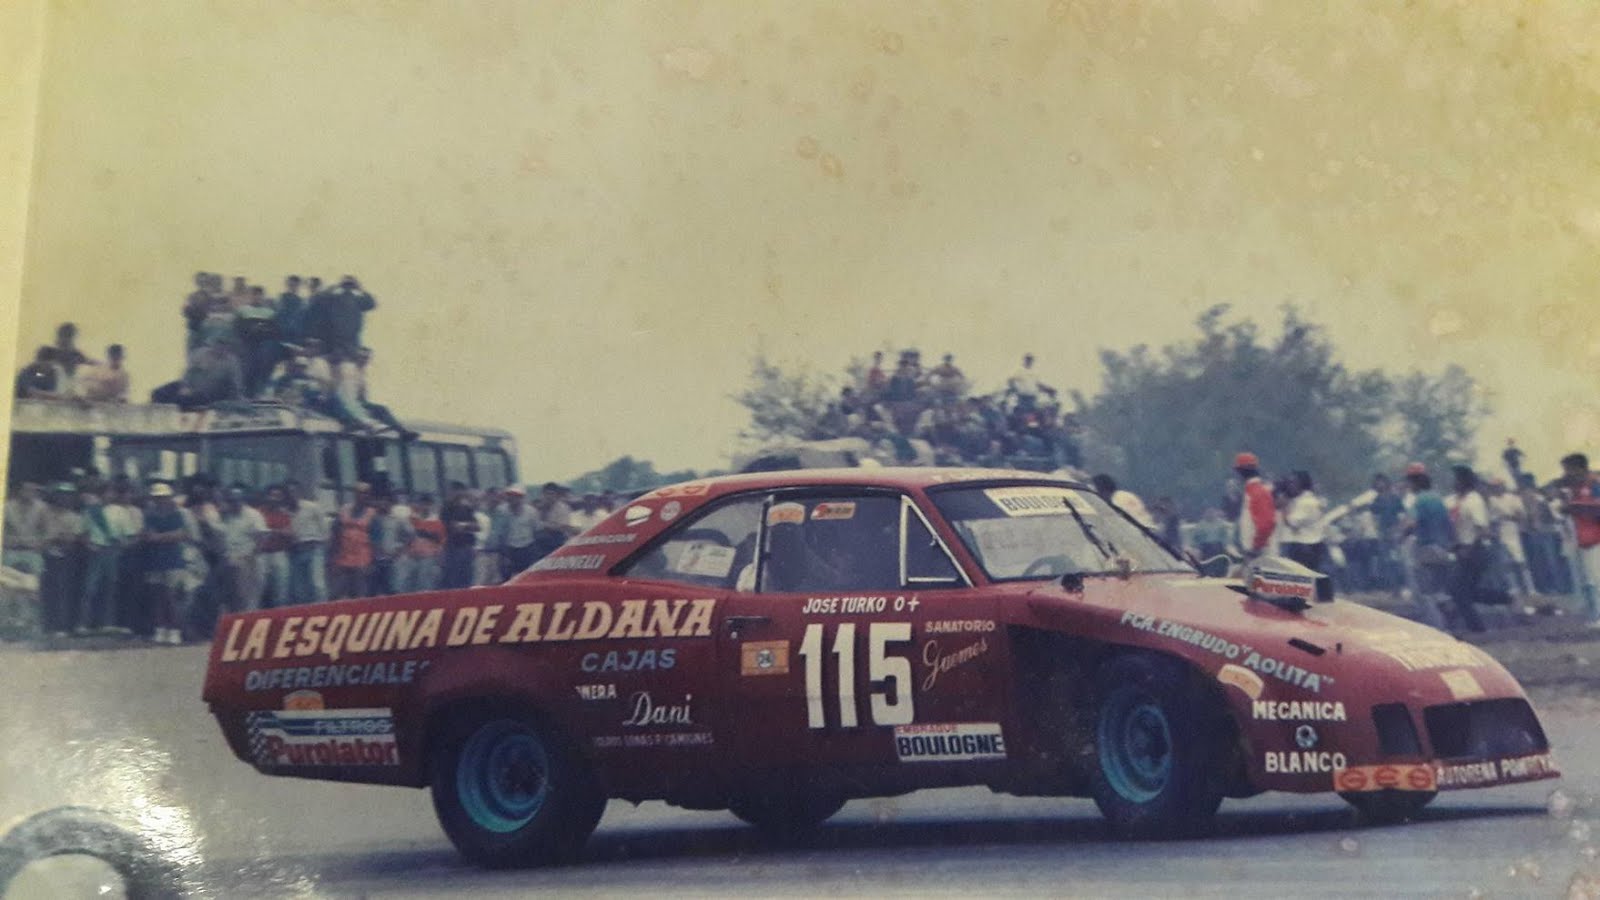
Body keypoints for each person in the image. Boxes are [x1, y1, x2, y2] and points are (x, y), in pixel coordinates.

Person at [140, 483, 189, 644]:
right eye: (157, 497)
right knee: (157, 596)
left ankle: (174, 630)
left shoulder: (177, 514)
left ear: (169, 498)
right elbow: (147, 535)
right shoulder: (149, 515)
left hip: (173, 560)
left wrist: (159, 537)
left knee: (171, 597)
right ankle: (160, 629)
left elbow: (181, 535)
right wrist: (166, 536)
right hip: (154, 560)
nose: (160, 500)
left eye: (163, 497)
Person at [1444, 466, 1491, 633]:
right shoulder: (1455, 500)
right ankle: (1505, 598)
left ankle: (1477, 628)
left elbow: (1482, 529)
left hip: (1474, 550)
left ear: (1464, 481)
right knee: (1467, 591)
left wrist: (1469, 549)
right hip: (1461, 548)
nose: (1453, 482)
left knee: (1458, 590)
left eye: (1456, 479)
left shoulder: (1474, 500)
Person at [39, 483, 86, 636]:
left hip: (66, 558)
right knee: (47, 591)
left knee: (64, 591)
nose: (64, 498)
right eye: (61, 495)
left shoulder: (75, 517)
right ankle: (48, 625)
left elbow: (71, 539)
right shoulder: (46, 514)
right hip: (47, 555)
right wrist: (55, 539)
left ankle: (63, 626)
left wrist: (59, 539)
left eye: (67, 495)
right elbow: (44, 536)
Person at [1559, 453, 1600, 624]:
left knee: (1597, 581)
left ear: (1580, 468)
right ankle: (1595, 615)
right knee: (1589, 582)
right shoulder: (1575, 489)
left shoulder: (1595, 484)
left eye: (1569, 470)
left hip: (1596, 540)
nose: (1566, 474)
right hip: (1582, 540)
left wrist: (1573, 508)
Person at [212, 487, 267, 613]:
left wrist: (249, 558)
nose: (234, 503)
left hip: (249, 559)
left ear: (242, 500)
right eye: (231, 501)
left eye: (237, 500)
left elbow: (261, 538)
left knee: (249, 598)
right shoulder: (224, 516)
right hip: (229, 560)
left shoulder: (253, 515)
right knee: (231, 598)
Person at [77, 485, 123, 634]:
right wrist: (90, 546)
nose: (109, 496)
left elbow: (124, 534)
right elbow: (83, 533)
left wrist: (119, 545)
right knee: (90, 588)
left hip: (111, 551)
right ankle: (83, 624)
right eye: (107, 493)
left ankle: (107, 623)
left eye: (111, 493)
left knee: (110, 588)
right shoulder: (90, 511)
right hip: (96, 550)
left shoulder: (118, 511)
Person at [1487, 478, 1535, 597]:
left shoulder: (1513, 498)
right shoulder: (1492, 501)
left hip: (1513, 531)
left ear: (1503, 486)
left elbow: (1521, 515)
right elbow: (1491, 519)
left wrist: (1510, 516)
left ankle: (1530, 588)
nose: (1496, 488)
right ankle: (1514, 587)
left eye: (1498, 485)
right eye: (1494, 486)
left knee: (1521, 561)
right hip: (1501, 532)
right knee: (1506, 563)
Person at [286, 480, 330, 604]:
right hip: (295, 552)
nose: (291, 495)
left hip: (314, 549)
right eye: (288, 492)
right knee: (300, 589)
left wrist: (325, 550)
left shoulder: (312, 507)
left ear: (299, 493)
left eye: (293, 492)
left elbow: (324, 529)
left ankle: (324, 612)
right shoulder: (285, 512)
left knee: (317, 585)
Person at [330, 484, 376, 600]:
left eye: (365, 493)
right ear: (355, 494)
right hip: (343, 558)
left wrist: (372, 562)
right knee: (337, 593)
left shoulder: (372, 513)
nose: (362, 495)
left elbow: (375, 539)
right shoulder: (344, 510)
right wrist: (332, 558)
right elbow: (335, 533)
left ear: (369, 496)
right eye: (360, 492)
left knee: (360, 594)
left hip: (362, 559)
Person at [1280, 470, 1329, 572]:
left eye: (1293, 483)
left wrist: (1283, 507)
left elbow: (1291, 522)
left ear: (1302, 484)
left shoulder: (1305, 502)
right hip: (1309, 544)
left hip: (1305, 546)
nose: (1290, 486)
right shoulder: (1305, 500)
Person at [1232, 452, 1276, 563]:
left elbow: (1266, 524)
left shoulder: (1258, 492)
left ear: (1242, 472)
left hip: (1259, 554)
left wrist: (1256, 547)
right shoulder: (1251, 492)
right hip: (1253, 553)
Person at [368, 492, 414, 596]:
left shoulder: (398, 519)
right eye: (381, 501)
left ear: (391, 503)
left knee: (394, 589)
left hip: (394, 559)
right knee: (375, 591)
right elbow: (370, 537)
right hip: (378, 559)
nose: (383, 503)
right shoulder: (375, 519)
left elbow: (410, 535)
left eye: (386, 501)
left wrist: (401, 549)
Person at [256, 485, 294, 608]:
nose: (274, 498)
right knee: (259, 587)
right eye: (272, 495)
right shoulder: (258, 513)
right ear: (267, 496)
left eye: (278, 496)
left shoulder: (284, 514)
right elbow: (259, 533)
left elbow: (289, 533)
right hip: (262, 554)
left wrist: (272, 531)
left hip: (279, 553)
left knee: (281, 587)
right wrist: (278, 531)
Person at [398, 493, 445, 592]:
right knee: (408, 585)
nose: (424, 506)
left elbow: (442, 542)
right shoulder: (412, 520)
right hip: (411, 557)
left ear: (431, 505)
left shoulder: (437, 523)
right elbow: (404, 538)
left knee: (425, 585)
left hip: (428, 558)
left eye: (427, 504)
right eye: (422, 503)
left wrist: (439, 560)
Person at [2, 482, 47, 576]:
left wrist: (40, 544)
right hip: (11, 551)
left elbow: (46, 531)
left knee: (32, 584)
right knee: (7, 582)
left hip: (32, 552)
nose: (29, 493)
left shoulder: (42, 508)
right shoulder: (7, 507)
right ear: (20, 490)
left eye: (33, 490)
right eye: (26, 490)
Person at [440, 482, 479, 589]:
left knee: (467, 578)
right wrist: (466, 526)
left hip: (467, 547)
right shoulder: (446, 508)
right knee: (454, 579)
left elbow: (477, 527)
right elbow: (452, 527)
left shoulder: (466, 508)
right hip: (453, 547)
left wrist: (463, 525)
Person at [500, 487, 541, 575]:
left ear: (521, 498)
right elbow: (501, 532)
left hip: (528, 547)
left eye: (516, 496)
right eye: (510, 496)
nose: (512, 498)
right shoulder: (502, 511)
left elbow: (537, 530)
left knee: (529, 574)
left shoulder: (531, 511)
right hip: (510, 548)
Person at [1190, 508, 1232, 577]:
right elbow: (1196, 540)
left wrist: (1226, 548)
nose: (1210, 514)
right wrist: (1197, 551)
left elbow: (1225, 538)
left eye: (1212, 512)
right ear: (1204, 513)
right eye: (1208, 512)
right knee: (1207, 567)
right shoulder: (1200, 525)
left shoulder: (1221, 524)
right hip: (1206, 550)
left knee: (1220, 567)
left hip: (1219, 549)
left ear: (1215, 513)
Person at [276, 275, 307, 344]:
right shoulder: (282, 298)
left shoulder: (300, 301)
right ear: (287, 285)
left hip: (296, 333)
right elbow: (279, 314)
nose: (293, 287)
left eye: (295, 285)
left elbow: (301, 317)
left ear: (298, 286)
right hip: (283, 332)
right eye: (291, 285)